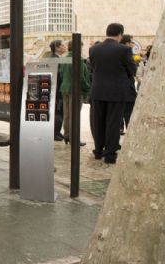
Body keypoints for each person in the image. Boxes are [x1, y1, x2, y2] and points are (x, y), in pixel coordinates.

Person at [89, 23, 136, 164]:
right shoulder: (124, 50)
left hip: (98, 90)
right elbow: (132, 70)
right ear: (120, 34)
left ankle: (98, 151)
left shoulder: (93, 49)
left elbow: (93, 67)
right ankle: (109, 155)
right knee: (113, 123)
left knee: (98, 122)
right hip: (117, 91)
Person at [59, 40, 90, 146]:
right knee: (74, 115)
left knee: (67, 113)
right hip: (75, 90)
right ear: (79, 47)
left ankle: (67, 135)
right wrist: (87, 87)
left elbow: (62, 74)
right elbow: (80, 77)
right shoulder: (78, 59)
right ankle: (74, 138)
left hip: (65, 88)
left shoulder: (66, 58)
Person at [119, 34, 138, 135]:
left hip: (116, 88)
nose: (133, 44)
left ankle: (120, 129)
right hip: (127, 87)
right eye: (131, 42)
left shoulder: (115, 51)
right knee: (128, 112)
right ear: (127, 43)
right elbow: (133, 70)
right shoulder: (127, 52)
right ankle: (129, 132)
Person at [49, 40, 67, 141]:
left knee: (58, 111)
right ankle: (55, 133)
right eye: (62, 45)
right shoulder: (54, 59)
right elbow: (58, 75)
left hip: (56, 89)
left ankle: (57, 132)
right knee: (58, 112)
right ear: (57, 47)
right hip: (57, 90)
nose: (65, 47)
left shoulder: (54, 58)